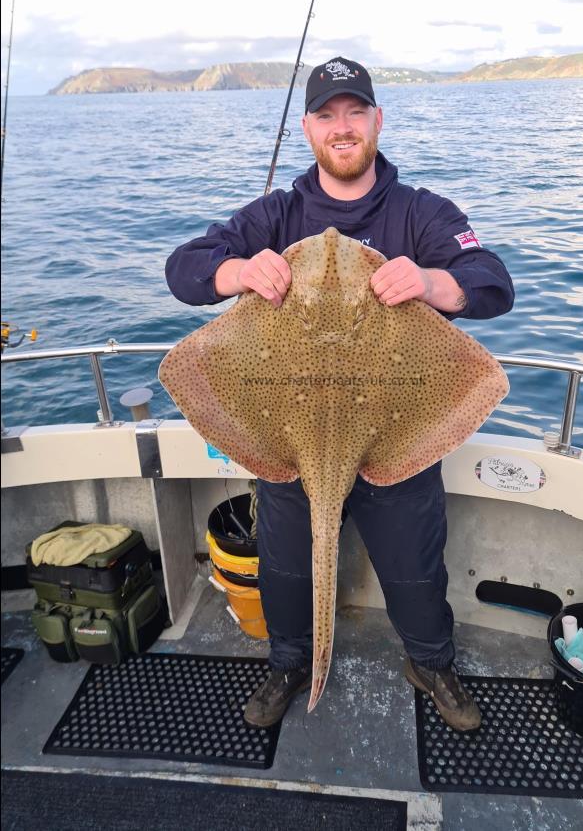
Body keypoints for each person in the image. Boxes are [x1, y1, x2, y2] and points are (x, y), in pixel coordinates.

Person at [165, 57, 514, 732]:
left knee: (415, 573)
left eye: (355, 112)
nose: (343, 126)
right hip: (288, 439)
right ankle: (288, 664)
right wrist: (237, 268)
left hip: (394, 433)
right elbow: (183, 267)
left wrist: (433, 283)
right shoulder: (273, 214)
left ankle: (429, 661)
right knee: (288, 573)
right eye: (328, 115)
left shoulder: (422, 214)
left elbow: (491, 280)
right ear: (308, 129)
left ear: (377, 120)